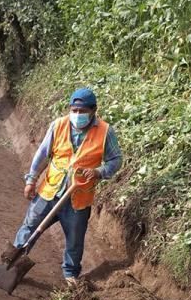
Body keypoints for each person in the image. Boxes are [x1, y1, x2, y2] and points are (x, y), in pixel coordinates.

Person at [14, 88, 122, 287]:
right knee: (29, 228)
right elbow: (42, 155)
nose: (78, 115)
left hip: (78, 198)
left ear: (93, 110)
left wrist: (99, 171)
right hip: (49, 191)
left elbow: (115, 160)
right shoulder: (59, 125)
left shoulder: (105, 131)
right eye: (74, 110)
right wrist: (31, 180)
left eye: (82, 111)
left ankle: (70, 275)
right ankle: (12, 262)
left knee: (75, 239)